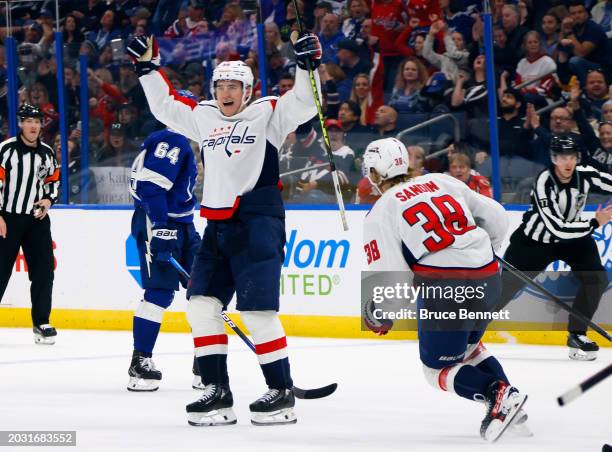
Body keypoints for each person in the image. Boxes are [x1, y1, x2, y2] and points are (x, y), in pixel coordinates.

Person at [126, 32, 322, 425]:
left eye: (234, 85)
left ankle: (280, 393)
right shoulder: (205, 115)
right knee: (200, 305)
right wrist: (146, 67)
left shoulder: (268, 112)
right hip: (217, 225)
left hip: (258, 222)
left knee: (257, 310)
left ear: (248, 90)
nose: (226, 91)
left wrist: (306, 67)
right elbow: (165, 106)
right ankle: (217, 392)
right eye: (220, 85)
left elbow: (305, 102)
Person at [361, 137, 529, 442]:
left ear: (375, 173)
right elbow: (497, 217)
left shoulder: (380, 212)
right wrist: (485, 250)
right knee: (468, 349)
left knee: (435, 369)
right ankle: (510, 407)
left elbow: (392, 279)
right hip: (489, 277)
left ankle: (497, 393)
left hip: (445, 287)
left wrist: (381, 315)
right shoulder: (439, 181)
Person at [499, 135, 612, 361]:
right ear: (554, 158)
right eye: (562, 157)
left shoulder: (585, 174)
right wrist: (594, 223)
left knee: (597, 278)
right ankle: (467, 332)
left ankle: (577, 335)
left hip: (575, 239)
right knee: (504, 290)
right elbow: (557, 228)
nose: (567, 162)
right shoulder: (544, 182)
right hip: (535, 242)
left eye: (571, 157)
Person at [127, 90, 202, 392]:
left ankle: (205, 362)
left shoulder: (180, 141)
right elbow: (151, 188)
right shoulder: (172, 139)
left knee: (205, 289)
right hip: (162, 222)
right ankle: (140, 362)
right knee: (159, 292)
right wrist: (160, 227)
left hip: (183, 223)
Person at [0, 104, 60, 345]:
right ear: (21, 124)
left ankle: (41, 321)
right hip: (8, 218)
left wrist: (48, 199)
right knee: (1, 270)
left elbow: (53, 181)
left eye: (37, 121)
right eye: (29, 121)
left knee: (44, 271)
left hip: (37, 219)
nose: (34, 125)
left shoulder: (47, 152)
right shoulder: (6, 150)